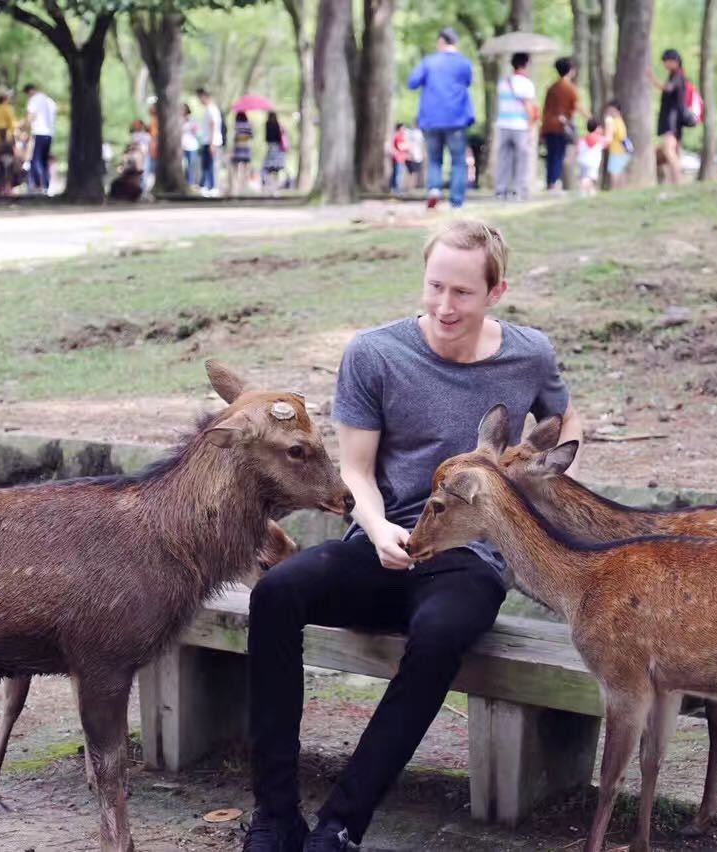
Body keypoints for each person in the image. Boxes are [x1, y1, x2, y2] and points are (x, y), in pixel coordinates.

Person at [241, 219, 584, 852]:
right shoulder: (375, 352)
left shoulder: (529, 354)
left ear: (495, 292)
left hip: (468, 560)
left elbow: (566, 424)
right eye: (435, 288)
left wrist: (543, 486)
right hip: (378, 544)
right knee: (276, 593)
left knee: (440, 634)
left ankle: (340, 827)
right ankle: (274, 817)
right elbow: (356, 471)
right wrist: (374, 530)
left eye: (462, 293)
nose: (445, 306)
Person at [407, 26, 475, 209]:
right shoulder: (464, 63)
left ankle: (434, 190)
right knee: (459, 160)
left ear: (441, 42)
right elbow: (469, 81)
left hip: (431, 119)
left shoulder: (428, 62)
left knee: (435, 158)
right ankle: (456, 200)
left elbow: (412, 82)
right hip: (457, 119)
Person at [493, 52, 537, 202]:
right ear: (526, 65)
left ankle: (501, 190)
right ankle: (520, 191)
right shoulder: (527, 84)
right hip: (520, 126)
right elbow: (529, 108)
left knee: (504, 159)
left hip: (503, 125)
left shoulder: (503, 82)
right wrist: (531, 127)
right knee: (522, 160)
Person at [541, 57, 586, 191]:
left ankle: (550, 181)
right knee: (558, 154)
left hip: (549, 125)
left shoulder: (552, 88)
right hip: (561, 127)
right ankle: (554, 182)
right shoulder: (570, 88)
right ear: (570, 70)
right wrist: (590, 119)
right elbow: (577, 106)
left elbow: (546, 108)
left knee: (551, 154)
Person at [647, 48, 691, 185]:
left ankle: (678, 178)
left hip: (672, 118)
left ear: (674, 61)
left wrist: (653, 79)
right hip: (674, 118)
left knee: (668, 149)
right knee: (674, 149)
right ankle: (675, 180)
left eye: (666, 61)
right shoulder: (675, 75)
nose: (665, 64)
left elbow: (668, 88)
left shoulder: (678, 75)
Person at [23, 83, 56, 194]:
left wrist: (24, 128)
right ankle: (46, 185)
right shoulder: (50, 101)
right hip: (49, 134)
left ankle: (37, 185)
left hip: (38, 132)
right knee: (44, 160)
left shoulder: (34, 100)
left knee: (35, 160)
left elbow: (30, 117)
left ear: (30, 91)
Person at [196, 87, 224, 196]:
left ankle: (213, 187)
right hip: (207, 141)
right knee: (206, 165)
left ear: (204, 97)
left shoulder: (212, 109)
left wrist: (212, 143)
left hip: (212, 141)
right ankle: (206, 186)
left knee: (211, 165)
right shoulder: (208, 109)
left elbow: (213, 125)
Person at [603, 101, 631, 189]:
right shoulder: (620, 121)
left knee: (614, 174)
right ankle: (620, 191)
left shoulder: (613, 122)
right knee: (619, 173)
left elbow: (609, 137)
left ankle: (615, 191)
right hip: (623, 151)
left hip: (616, 151)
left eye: (611, 110)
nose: (609, 112)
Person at [576, 118, 607, 196]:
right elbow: (606, 142)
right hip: (591, 161)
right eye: (600, 128)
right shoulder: (599, 138)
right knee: (588, 177)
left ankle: (591, 192)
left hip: (581, 160)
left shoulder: (583, 138)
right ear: (597, 128)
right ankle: (582, 192)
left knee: (585, 176)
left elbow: (578, 148)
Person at [261, 111, 288, 193]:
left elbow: (266, 138)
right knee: (276, 169)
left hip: (271, 147)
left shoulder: (267, 124)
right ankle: (275, 187)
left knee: (268, 169)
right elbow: (280, 138)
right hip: (277, 149)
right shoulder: (277, 125)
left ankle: (270, 186)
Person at [230, 110, 254, 196]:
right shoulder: (249, 125)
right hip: (246, 148)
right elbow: (251, 136)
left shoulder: (236, 125)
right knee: (245, 169)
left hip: (238, 148)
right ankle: (244, 186)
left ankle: (237, 188)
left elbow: (234, 137)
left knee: (237, 169)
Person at [181, 104, 201, 188]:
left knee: (190, 166)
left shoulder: (192, 120)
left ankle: (190, 183)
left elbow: (198, 132)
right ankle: (184, 182)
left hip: (192, 146)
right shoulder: (178, 120)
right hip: (182, 146)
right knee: (183, 165)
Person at [388, 122, 409, 193]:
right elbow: (400, 146)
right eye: (403, 128)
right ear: (399, 128)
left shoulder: (397, 135)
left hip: (399, 157)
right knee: (399, 174)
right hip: (399, 158)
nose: (404, 129)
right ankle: (398, 190)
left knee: (396, 173)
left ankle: (394, 188)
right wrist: (407, 146)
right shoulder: (399, 136)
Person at [404, 126, 425, 190]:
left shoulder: (409, 132)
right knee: (414, 173)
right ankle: (410, 187)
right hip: (416, 156)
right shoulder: (418, 133)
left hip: (410, 155)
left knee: (410, 172)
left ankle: (408, 187)